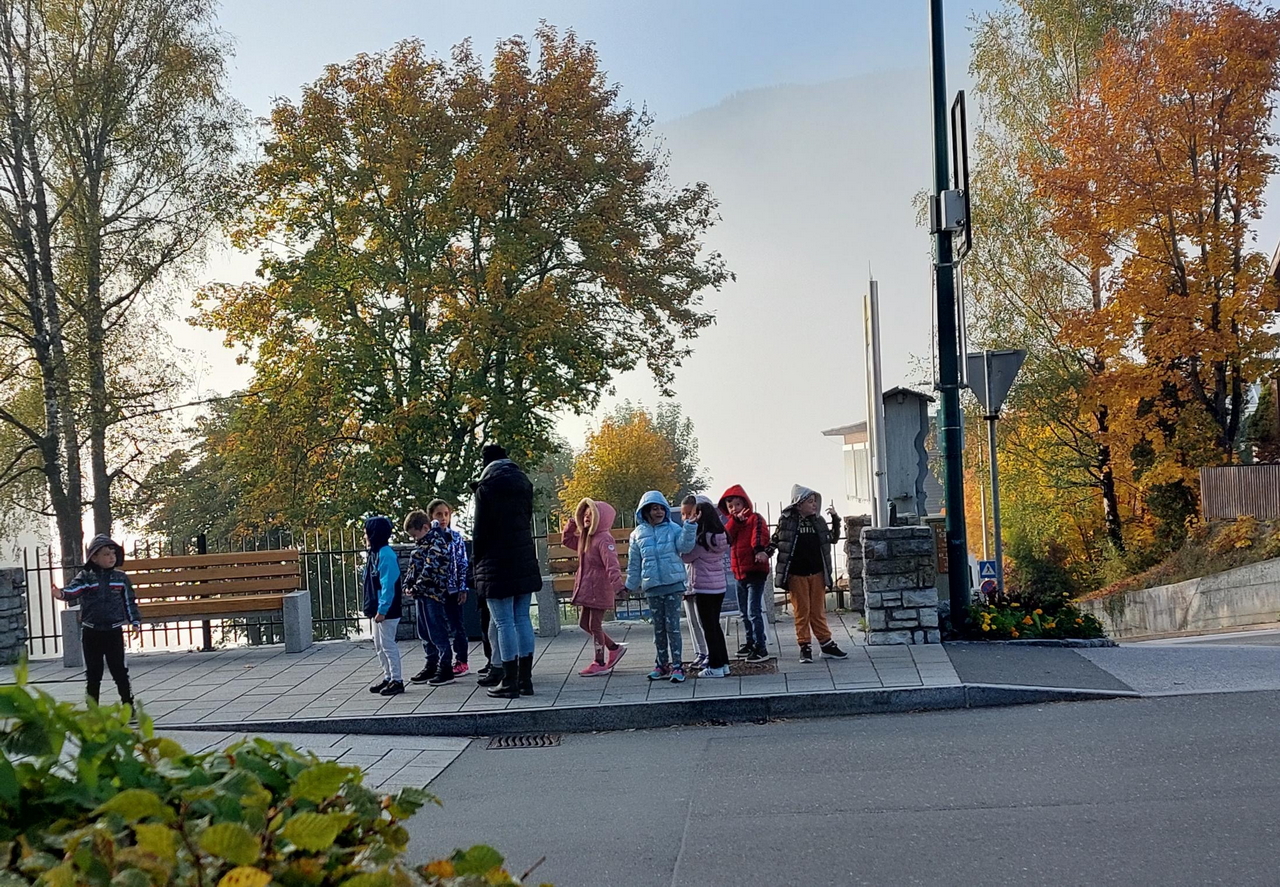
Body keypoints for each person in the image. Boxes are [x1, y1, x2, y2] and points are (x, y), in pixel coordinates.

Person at [471, 444, 542, 699]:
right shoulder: (523, 482)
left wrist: (475, 561)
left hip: (496, 562)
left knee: (503, 622)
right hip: (523, 557)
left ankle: (509, 681)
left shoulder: (486, 487)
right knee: (522, 619)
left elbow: (480, 531)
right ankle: (526, 680)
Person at [54, 534, 140, 709]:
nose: (111, 558)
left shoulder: (121, 578)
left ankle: (128, 705)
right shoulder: (86, 577)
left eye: (113, 554)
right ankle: (93, 708)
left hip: (113, 631)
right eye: (106, 554)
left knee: (119, 671)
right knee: (93, 672)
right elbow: (74, 590)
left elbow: (129, 602)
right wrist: (61, 594)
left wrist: (135, 621)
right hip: (91, 631)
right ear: (94, 557)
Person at [625, 491, 697, 682]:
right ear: (646, 511)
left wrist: (689, 526)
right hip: (652, 587)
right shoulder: (637, 534)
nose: (658, 512)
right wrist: (629, 586)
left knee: (672, 626)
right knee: (658, 628)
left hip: (673, 585)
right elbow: (634, 564)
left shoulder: (674, 529)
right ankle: (661, 664)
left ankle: (678, 666)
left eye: (661, 508)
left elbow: (685, 547)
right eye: (654, 508)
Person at [772, 485, 849, 663]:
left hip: (817, 573)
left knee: (817, 611)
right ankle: (804, 646)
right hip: (796, 574)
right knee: (802, 611)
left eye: (815, 502)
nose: (814, 505)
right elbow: (777, 540)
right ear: (799, 504)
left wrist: (835, 519)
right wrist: (765, 552)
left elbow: (833, 538)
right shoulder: (787, 521)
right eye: (810, 502)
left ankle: (826, 644)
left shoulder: (818, 521)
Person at [562, 498, 627, 676]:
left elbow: (612, 564)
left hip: (599, 588)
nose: (587, 518)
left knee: (595, 625)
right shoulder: (586, 537)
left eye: (592, 515)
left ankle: (599, 661)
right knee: (584, 623)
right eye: (585, 514)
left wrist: (618, 586)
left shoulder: (604, 539)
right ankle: (614, 648)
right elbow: (567, 541)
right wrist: (572, 523)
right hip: (587, 588)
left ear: (601, 518)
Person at [718, 484, 774, 663]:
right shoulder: (734, 524)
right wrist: (735, 521)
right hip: (739, 572)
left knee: (753, 611)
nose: (734, 509)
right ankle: (750, 642)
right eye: (731, 506)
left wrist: (759, 550)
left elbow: (759, 535)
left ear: (745, 504)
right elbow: (727, 537)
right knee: (744, 611)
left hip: (755, 571)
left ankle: (761, 647)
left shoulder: (755, 519)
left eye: (737, 505)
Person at [402, 509, 456, 686]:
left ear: (425, 527)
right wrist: (408, 585)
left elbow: (430, 569)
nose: (414, 539)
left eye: (415, 535)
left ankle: (445, 666)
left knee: (436, 628)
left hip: (433, 593)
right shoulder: (421, 545)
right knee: (424, 630)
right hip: (421, 594)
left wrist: (417, 586)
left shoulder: (437, 543)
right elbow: (413, 568)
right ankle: (431, 663)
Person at [681, 496, 732, 677]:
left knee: (708, 627)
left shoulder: (702, 540)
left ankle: (715, 666)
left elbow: (686, 556)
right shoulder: (721, 536)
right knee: (715, 626)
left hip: (703, 588)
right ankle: (724, 663)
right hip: (719, 588)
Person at [429, 499, 472, 676]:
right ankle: (437, 660)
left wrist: (463, 587)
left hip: (452, 588)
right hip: (436, 589)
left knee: (457, 625)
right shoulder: (430, 537)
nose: (443, 518)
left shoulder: (455, 537)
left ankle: (461, 660)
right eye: (439, 514)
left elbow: (462, 563)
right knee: (436, 625)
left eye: (446, 514)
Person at [362, 515, 405, 696]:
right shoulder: (375, 554)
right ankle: (388, 677)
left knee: (388, 644)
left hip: (387, 610)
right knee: (379, 645)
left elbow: (388, 585)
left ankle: (397, 679)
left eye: (366, 533)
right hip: (377, 609)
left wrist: (382, 609)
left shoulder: (386, 554)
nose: (364, 536)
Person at [679, 495, 711, 670]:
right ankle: (700, 651)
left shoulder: (704, 533)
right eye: (683, 515)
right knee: (691, 620)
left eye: (689, 513)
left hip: (701, 582)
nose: (686, 518)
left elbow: (687, 554)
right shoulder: (685, 532)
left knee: (702, 620)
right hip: (688, 582)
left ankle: (708, 651)